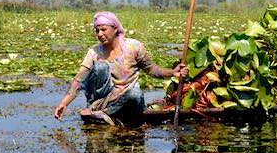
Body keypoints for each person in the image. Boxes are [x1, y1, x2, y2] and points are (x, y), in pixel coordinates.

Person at [54, 11, 187, 124]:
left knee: (135, 94)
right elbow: (78, 80)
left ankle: (103, 114)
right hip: (104, 101)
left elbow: (151, 69)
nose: (100, 34)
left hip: (130, 103)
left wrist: (173, 72)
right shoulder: (94, 53)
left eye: (103, 29)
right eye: (97, 30)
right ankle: (99, 111)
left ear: (115, 28)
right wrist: (64, 104)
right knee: (100, 67)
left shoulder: (133, 47)